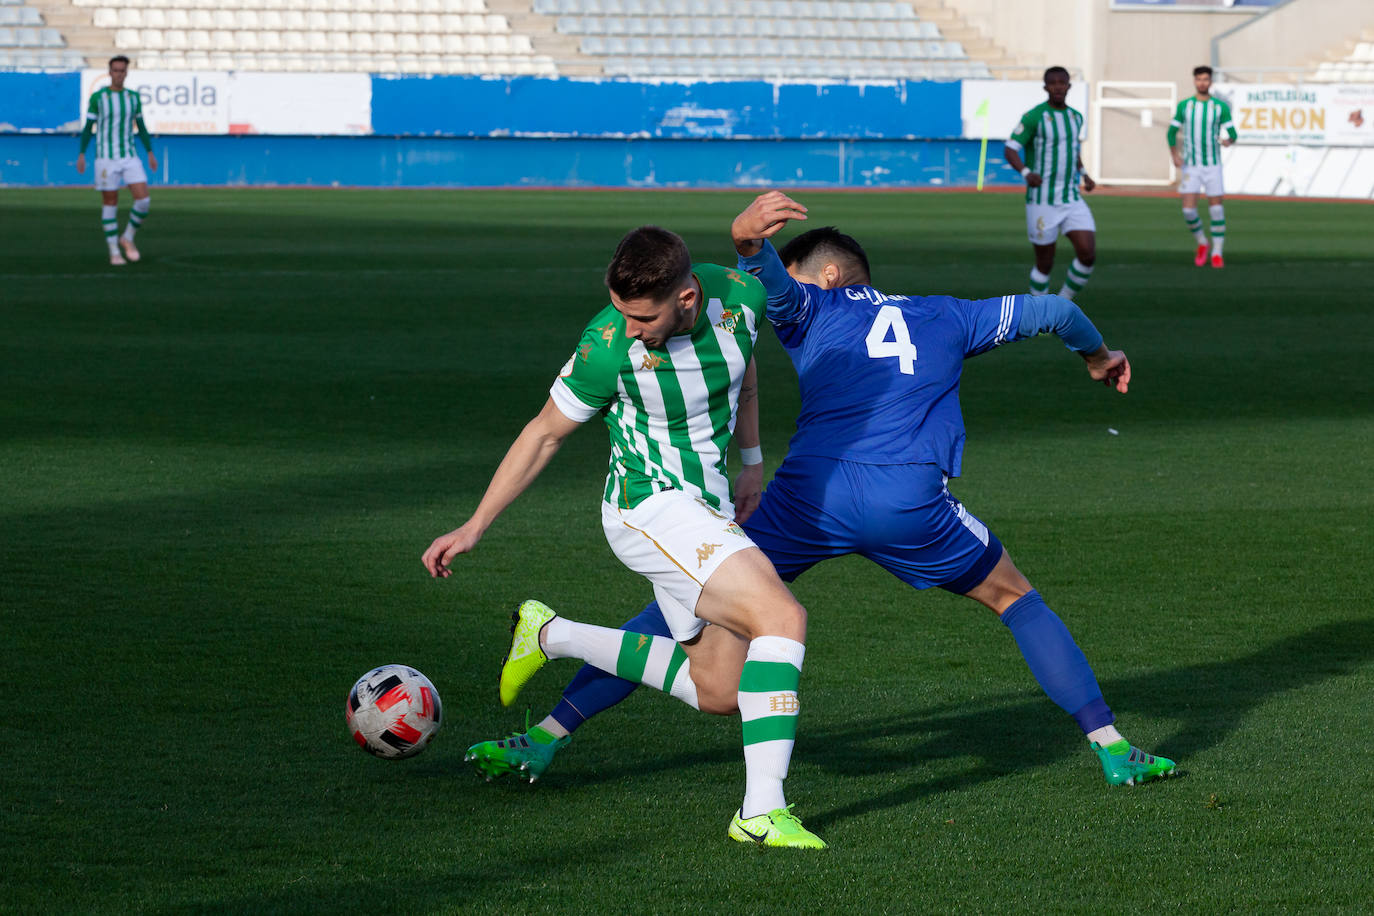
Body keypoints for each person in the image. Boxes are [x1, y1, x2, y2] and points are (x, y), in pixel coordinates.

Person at [467, 191, 1178, 797]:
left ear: (830, 274)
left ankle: (546, 735)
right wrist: (1099, 356)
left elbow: (759, 263)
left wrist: (750, 241)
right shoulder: (948, 315)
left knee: (682, 604)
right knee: (1016, 598)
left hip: (806, 503)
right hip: (910, 506)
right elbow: (1054, 309)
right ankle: (1112, 747)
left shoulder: (807, 310)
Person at [422, 225, 827, 850]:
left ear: (687, 297)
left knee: (721, 690)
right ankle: (759, 813)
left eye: (643, 316)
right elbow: (544, 433)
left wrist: (751, 459)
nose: (630, 327)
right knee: (781, 616)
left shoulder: (743, 298)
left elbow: (743, 371)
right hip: (648, 510)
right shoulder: (607, 346)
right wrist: (475, 525)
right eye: (621, 311)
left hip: (708, 510)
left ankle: (550, 633)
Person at [1003, 66, 1097, 301]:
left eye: (1062, 82)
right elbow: (1010, 148)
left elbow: (1072, 150)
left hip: (1071, 198)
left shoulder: (1076, 117)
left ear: (1069, 86)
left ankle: (1062, 303)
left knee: (1088, 254)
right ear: (1045, 87)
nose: (1057, 86)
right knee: (1045, 263)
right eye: (1052, 83)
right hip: (1041, 200)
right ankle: (1039, 313)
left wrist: (1084, 173)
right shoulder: (1034, 116)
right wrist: (1025, 172)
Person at [77, 56, 156, 267]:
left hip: (129, 155)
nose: (119, 74)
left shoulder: (133, 98)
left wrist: (149, 152)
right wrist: (82, 153)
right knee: (110, 202)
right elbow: (88, 127)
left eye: (122, 70)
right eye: (115, 70)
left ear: (127, 73)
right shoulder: (98, 98)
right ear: (109, 72)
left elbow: (141, 126)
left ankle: (127, 237)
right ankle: (114, 250)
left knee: (143, 200)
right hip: (105, 158)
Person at [1169, 65, 1237, 268]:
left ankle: (1217, 252)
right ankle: (1202, 243)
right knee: (1189, 211)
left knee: (1216, 209)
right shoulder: (1185, 106)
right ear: (1194, 81)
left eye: (1206, 79)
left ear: (1211, 82)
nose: (1202, 83)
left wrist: (1228, 141)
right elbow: (1171, 132)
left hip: (1213, 165)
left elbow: (1233, 133)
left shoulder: (1220, 107)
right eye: (1199, 79)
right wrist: (1175, 155)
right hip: (1191, 166)